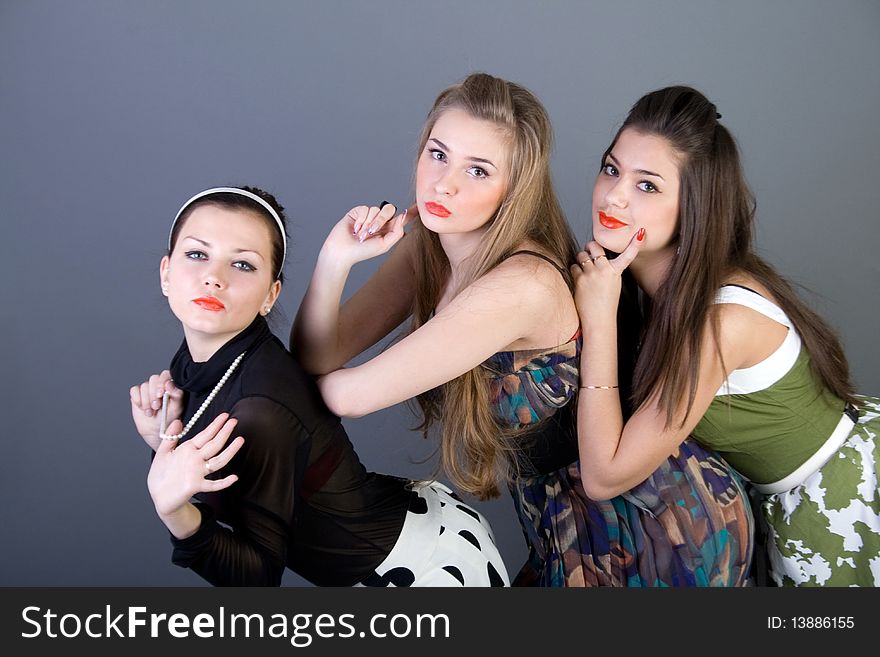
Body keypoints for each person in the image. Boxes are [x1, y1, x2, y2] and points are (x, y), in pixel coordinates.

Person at [292, 72, 753, 586]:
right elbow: (318, 356)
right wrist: (335, 260)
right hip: (556, 517)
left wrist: (265, 384)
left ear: (514, 187)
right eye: (438, 154)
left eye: (479, 170)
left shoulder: (524, 284)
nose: (446, 184)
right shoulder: (428, 244)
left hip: (653, 524)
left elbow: (348, 395)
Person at [571, 85, 880, 586]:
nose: (614, 195)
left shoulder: (720, 321)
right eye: (611, 169)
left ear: (693, 203)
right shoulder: (651, 290)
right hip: (788, 503)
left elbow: (605, 476)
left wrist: (600, 317)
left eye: (647, 186)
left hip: (849, 497)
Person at [129, 185, 509, 587]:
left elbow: (256, 576)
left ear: (269, 295)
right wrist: (165, 441)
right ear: (166, 273)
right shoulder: (199, 359)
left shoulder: (261, 407)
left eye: (242, 265)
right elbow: (229, 483)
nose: (213, 278)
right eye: (197, 254)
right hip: (404, 536)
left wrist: (174, 512)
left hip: (420, 572)